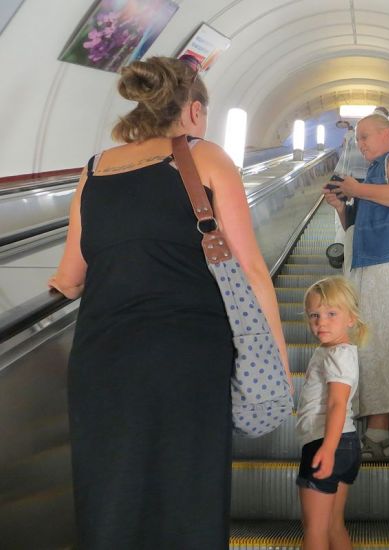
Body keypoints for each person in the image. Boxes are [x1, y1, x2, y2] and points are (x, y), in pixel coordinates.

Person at [48, 56, 291, 549]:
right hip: (187, 359)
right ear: (194, 111)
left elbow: (70, 279)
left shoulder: (93, 170)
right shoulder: (207, 158)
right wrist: (278, 363)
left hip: (102, 360)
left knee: (111, 493)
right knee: (187, 494)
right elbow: (251, 270)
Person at [323, 113, 389, 460]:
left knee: (388, 343)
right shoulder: (371, 175)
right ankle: (372, 429)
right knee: (367, 344)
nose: (360, 143)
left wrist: (357, 189)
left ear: (386, 134)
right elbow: (355, 226)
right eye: (358, 138)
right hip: (367, 263)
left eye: (366, 136)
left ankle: (381, 433)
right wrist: (342, 205)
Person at [296, 277, 367, 549]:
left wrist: (327, 447)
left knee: (314, 529)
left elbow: (338, 403)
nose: (321, 322)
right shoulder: (336, 352)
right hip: (345, 444)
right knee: (334, 525)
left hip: (326, 442)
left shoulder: (338, 354)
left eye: (331, 314)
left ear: (351, 318)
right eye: (314, 315)